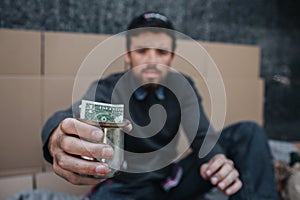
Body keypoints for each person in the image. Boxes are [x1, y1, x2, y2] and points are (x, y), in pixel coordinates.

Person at [42, 12, 280, 199]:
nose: (152, 60)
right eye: (142, 51)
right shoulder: (108, 88)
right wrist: (56, 137)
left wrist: (216, 160)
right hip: (126, 188)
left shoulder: (183, 86)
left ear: (171, 58)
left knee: (248, 132)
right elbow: (72, 116)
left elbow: (202, 136)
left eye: (161, 52)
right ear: (128, 55)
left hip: (171, 182)